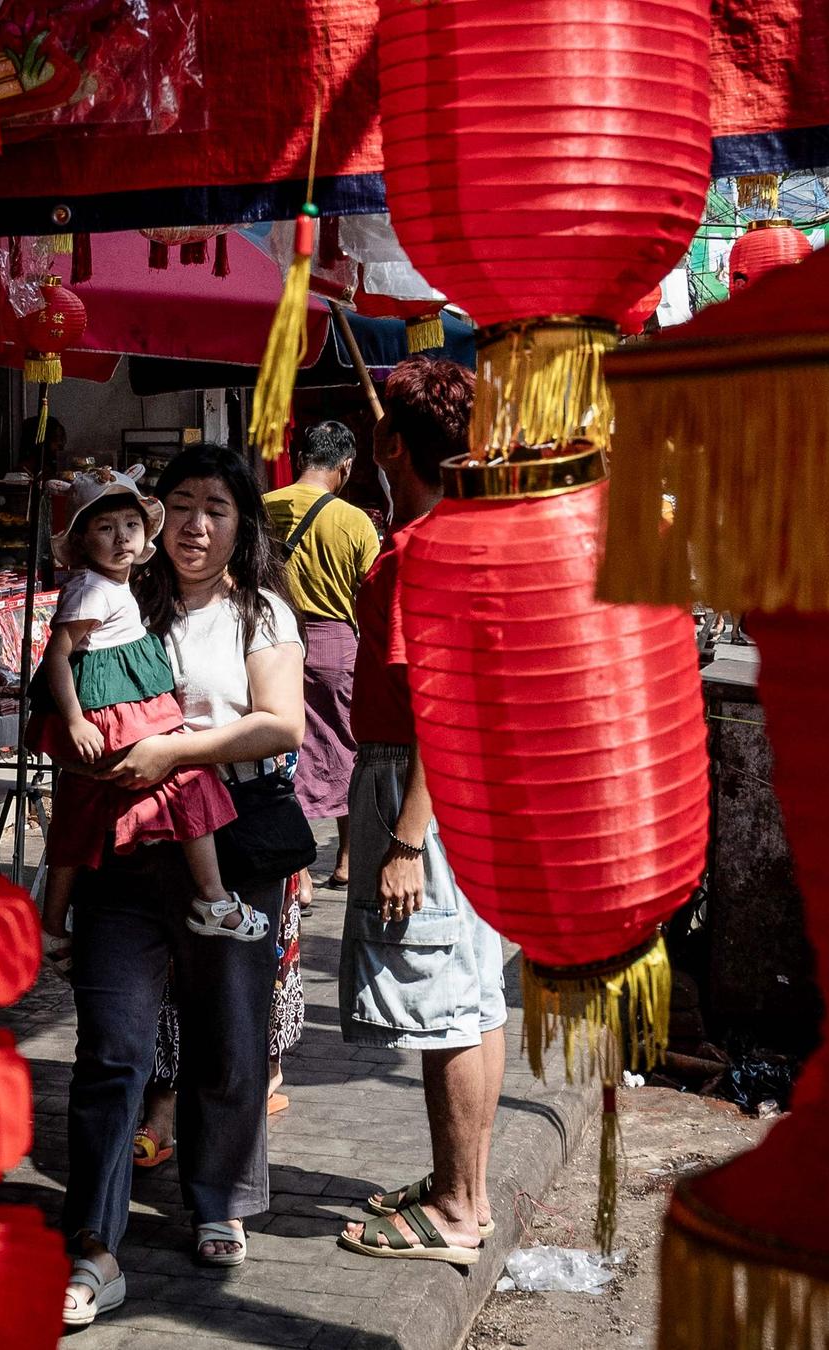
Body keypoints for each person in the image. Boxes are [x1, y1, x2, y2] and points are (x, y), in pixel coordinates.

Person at [59, 444, 305, 1328]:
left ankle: (219, 1196)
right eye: (182, 505)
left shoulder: (259, 612)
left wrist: (175, 750)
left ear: (243, 524)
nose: (197, 525)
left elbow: (280, 726)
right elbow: (70, 695)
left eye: (218, 508)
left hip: (230, 841)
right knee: (113, 1045)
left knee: (225, 1033)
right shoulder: (117, 597)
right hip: (127, 844)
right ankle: (92, 1246)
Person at [336, 358, 507, 1267]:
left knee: (444, 1001)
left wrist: (407, 838)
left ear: (391, 445)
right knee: (475, 997)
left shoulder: (420, 550)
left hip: (424, 783)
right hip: (469, 791)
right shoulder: (472, 534)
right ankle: (467, 1191)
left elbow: (443, 704)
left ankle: (453, 1204)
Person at [33, 466, 262, 949]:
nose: (121, 539)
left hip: (117, 704)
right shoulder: (93, 588)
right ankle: (212, 896)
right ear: (81, 540)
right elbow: (57, 652)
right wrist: (74, 720)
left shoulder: (114, 585)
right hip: (113, 709)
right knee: (188, 778)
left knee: (81, 805)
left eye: (130, 526)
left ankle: (52, 925)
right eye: (104, 528)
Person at [263, 421, 380, 890]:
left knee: (282, 751)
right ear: (345, 467)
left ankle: (299, 870)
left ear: (299, 457)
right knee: (344, 750)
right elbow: (371, 596)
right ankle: (347, 859)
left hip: (271, 642)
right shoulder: (354, 522)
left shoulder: (262, 509)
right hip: (336, 648)